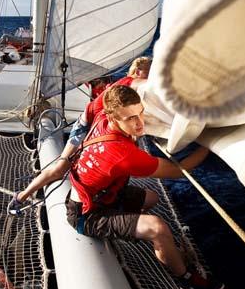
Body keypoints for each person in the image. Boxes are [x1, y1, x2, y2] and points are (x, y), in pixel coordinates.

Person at [63, 85, 223, 289]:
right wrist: (211, 144)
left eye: (140, 113)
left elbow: (123, 84)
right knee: (158, 227)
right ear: (113, 117)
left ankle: (134, 227)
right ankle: (186, 281)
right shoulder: (122, 153)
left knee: (152, 198)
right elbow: (179, 171)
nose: (140, 123)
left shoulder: (102, 115)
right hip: (87, 215)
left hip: (100, 196)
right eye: (130, 119)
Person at [10, 57, 152, 207]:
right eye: (151, 72)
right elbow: (150, 85)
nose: (152, 76)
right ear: (138, 71)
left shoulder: (132, 90)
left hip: (100, 125)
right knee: (60, 169)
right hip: (87, 124)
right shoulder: (129, 82)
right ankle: (21, 197)